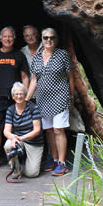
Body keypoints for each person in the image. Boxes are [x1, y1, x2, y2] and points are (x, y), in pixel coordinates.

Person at [26, 28, 74, 176]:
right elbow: (34, 80)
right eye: (45, 38)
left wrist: (71, 97)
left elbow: (70, 77)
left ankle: (62, 162)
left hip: (60, 98)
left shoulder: (63, 55)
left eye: (51, 37)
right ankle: (53, 159)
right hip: (43, 100)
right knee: (49, 131)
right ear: (41, 39)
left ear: (56, 39)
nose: (48, 40)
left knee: (59, 130)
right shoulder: (38, 57)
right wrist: (27, 98)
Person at [0, 26, 29, 171]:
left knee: (15, 127)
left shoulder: (19, 56)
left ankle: (13, 157)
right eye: (5, 36)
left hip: (16, 98)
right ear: (0, 39)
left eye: (10, 36)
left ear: (14, 38)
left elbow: (24, 76)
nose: (8, 39)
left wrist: (26, 96)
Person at [3, 82, 43, 179]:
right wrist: (13, 138)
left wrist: (20, 138)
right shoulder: (11, 110)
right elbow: (6, 131)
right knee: (8, 145)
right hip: (19, 140)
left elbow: (37, 130)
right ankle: (16, 168)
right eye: (16, 94)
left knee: (32, 173)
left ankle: (26, 163)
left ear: (25, 95)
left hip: (34, 142)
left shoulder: (33, 108)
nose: (19, 96)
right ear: (13, 97)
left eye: (21, 94)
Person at [20, 25, 41, 101]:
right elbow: (23, 75)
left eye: (33, 34)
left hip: (48, 92)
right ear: (24, 38)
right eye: (27, 36)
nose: (30, 37)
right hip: (31, 94)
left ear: (37, 35)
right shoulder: (22, 52)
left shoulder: (46, 48)